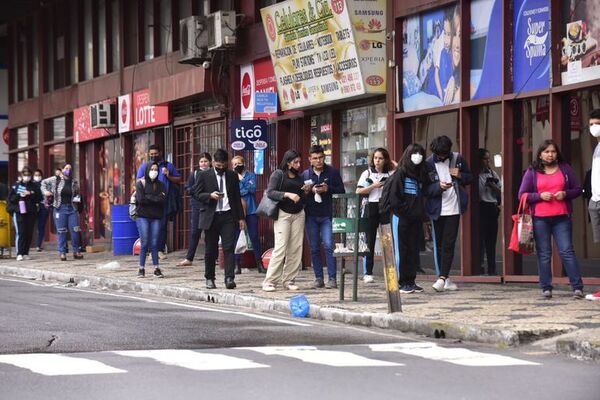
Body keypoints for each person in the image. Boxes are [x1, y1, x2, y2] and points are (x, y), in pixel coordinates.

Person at [518, 140, 584, 299]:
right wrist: (539, 196)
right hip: (540, 219)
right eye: (546, 151)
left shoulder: (565, 168)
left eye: (553, 151)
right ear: (540, 154)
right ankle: (546, 288)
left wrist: (565, 194)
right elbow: (521, 195)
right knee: (544, 253)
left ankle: (577, 287)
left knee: (567, 251)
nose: (550, 154)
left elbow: (577, 189)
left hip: (562, 217)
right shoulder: (532, 172)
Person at [425, 135, 472, 292]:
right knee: (439, 244)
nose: (443, 157)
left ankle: (442, 277)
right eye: (440, 155)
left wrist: (459, 175)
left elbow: (469, 177)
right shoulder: (429, 164)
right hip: (437, 209)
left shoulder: (458, 158)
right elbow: (425, 189)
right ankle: (445, 278)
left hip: (454, 207)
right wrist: (439, 187)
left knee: (449, 243)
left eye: (445, 154)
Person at [193, 149, 245, 290]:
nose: (221, 168)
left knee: (228, 247)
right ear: (214, 163)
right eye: (218, 166)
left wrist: (241, 217)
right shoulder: (204, 175)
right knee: (211, 249)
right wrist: (210, 195)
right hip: (211, 216)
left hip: (228, 215)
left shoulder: (232, 176)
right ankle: (209, 278)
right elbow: (196, 194)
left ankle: (229, 278)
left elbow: (236, 197)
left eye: (223, 165)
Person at [262, 150, 309, 292]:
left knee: (295, 248)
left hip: (298, 213)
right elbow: (270, 192)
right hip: (283, 213)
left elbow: (301, 197)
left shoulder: (299, 177)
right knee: (281, 247)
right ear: (288, 162)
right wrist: (287, 194)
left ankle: (289, 280)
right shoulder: (278, 174)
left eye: (299, 162)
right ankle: (269, 281)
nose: (298, 165)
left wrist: (305, 191)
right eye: (295, 162)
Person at [389, 144, 430, 294]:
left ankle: (411, 281)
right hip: (401, 218)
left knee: (413, 250)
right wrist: (407, 212)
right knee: (402, 250)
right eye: (415, 153)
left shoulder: (419, 175)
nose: (418, 156)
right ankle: (401, 282)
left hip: (415, 219)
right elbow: (395, 199)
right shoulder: (400, 174)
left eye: (420, 153)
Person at [302, 145, 345, 289]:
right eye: (315, 158)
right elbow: (300, 195)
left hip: (327, 214)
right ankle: (318, 278)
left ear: (324, 157)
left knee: (328, 245)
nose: (318, 161)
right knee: (314, 247)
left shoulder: (332, 172)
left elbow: (342, 192)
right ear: (310, 159)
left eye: (321, 157)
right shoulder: (306, 175)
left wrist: (328, 189)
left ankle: (332, 278)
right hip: (311, 215)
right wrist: (307, 191)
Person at [136, 145, 181, 260]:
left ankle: (159, 249)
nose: (153, 156)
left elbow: (178, 179)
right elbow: (138, 180)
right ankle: (150, 251)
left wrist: (168, 175)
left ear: (160, 152)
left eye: (155, 153)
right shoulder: (145, 166)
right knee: (148, 227)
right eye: (151, 154)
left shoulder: (168, 166)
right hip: (148, 202)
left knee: (162, 226)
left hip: (163, 201)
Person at [356, 148, 395, 283]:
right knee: (370, 240)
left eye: (380, 158)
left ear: (385, 160)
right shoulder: (367, 173)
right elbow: (358, 191)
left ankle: (390, 271)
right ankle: (368, 272)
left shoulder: (390, 173)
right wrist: (374, 186)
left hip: (384, 207)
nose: (377, 161)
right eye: (375, 158)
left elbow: (400, 170)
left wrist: (392, 163)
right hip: (370, 207)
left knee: (387, 239)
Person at [41, 163, 84, 261]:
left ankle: (77, 251)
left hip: (72, 208)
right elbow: (43, 182)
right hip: (60, 208)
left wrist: (79, 206)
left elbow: (77, 195)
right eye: (66, 168)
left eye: (70, 168)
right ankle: (62, 252)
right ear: (62, 169)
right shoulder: (56, 179)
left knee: (75, 230)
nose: (68, 170)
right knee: (61, 231)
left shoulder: (74, 182)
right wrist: (45, 192)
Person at [231, 155, 266, 274]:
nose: (236, 166)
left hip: (251, 209)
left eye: (238, 164)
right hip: (237, 209)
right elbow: (232, 192)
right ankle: (237, 264)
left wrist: (241, 180)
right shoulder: (231, 176)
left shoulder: (250, 175)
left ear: (243, 163)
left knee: (254, 236)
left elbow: (252, 189)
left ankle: (259, 263)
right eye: (234, 164)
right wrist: (241, 190)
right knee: (236, 236)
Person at [178, 153, 212, 267]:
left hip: (210, 205)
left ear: (210, 162)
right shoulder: (194, 174)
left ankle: (213, 257)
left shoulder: (213, 173)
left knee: (210, 233)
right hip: (197, 206)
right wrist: (195, 187)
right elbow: (187, 189)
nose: (203, 164)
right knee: (195, 232)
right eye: (201, 161)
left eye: (206, 161)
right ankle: (189, 258)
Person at [135, 162, 167, 278]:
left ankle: (156, 268)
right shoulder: (141, 184)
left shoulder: (161, 185)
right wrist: (154, 199)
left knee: (155, 243)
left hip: (156, 217)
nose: (154, 171)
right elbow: (141, 199)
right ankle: (141, 268)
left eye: (156, 169)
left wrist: (149, 197)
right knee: (144, 242)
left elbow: (162, 199)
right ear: (147, 170)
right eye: (152, 169)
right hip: (143, 216)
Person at [8, 167, 41, 261]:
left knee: (29, 232)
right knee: (21, 232)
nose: (27, 177)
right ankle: (19, 253)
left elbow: (39, 198)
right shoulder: (17, 185)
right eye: (25, 175)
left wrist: (30, 193)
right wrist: (20, 195)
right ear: (22, 175)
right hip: (19, 211)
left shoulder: (34, 186)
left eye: (29, 175)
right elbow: (11, 199)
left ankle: (26, 252)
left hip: (31, 211)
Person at [478, 149, 501, 275]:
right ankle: (479, 266)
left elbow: (501, 191)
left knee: (491, 241)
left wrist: (493, 186)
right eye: (485, 159)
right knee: (479, 240)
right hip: (480, 207)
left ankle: (492, 269)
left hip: (491, 207)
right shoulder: (475, 175)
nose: (488, 161)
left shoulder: (493, 174)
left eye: (488, 159)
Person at [587, 109, 600, 243]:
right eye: (591, 124)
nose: (594, 127)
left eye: (597, 124)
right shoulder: (597, 147)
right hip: (595, 201)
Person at [32, 169, 49, 252]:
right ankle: (30, 244)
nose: (37, 177)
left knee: (41, 226)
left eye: (38, 175)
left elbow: (48, 195)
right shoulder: (31, 184)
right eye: (35, 175)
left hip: (43, 206)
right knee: (30, 226)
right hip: (32, 206)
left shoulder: (44, 184)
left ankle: (39, 245)